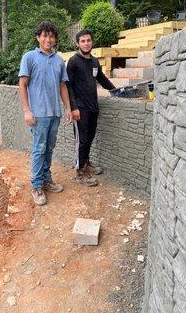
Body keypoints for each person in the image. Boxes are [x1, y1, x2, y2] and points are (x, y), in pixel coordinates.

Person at [19, 21, 72, 206]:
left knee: (49, 148)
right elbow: (23, 85)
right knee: (39, 149)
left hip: (55, 113)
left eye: (51, 36)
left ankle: (46, 179)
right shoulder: (30, 57)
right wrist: (27, 110)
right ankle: (37, 186)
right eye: (44, 35)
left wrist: (67, 108)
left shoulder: (59, 60)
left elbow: (63, 85)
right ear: (38, 37)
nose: (48, 39)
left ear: (55, 39)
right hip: (38, 114)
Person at [67, 29, 115, 186]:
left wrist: (116, 90)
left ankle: (86, 162)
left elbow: (101, 78)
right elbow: (68, 86)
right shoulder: (73, 62)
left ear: (92, 42)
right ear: (77, 43)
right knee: (81, 140)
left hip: (93, 107)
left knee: (90, 137)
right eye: (83, 41)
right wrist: (73, 107)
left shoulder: (94, 62)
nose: (86, 43)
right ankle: (80, 171)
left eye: (88, 40)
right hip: (80, 109)